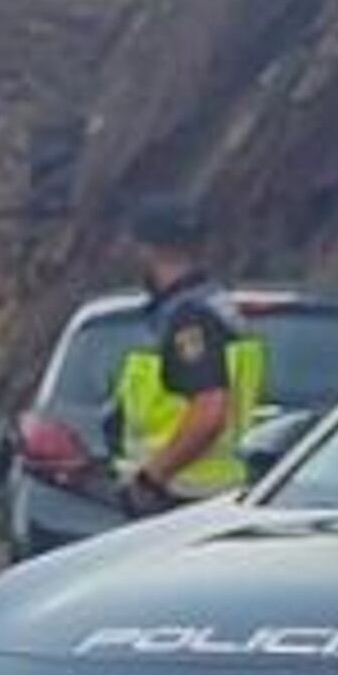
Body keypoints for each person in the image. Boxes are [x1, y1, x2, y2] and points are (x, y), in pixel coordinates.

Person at [109, 193, 268, 518]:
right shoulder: (217, 305)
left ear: (146, 249)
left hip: (181, 495)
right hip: (217, 493)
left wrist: (151, 479)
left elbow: (209, 410)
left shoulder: (187, 318)